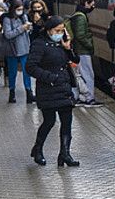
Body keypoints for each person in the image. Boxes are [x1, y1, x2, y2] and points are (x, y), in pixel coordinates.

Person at [25, 16, 80, 167]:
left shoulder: (62, 44)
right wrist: (50, 77)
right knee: (49, 121)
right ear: (48, 30)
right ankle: (38, 149)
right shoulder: (39, 44)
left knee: (67, 122)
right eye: (57, 30)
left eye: (62, 30)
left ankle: (65, 154)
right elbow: (30, 67)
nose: (60, 33)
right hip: (48, 89)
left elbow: (76, 60)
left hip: (64, 88)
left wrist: (68, 48)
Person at [67, 0, 103, 108]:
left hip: (79, 50)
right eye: (92, 3)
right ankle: (89, 98)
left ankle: (80, 97)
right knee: (87, 74)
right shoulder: (81, 17)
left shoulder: (78, 15)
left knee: (80, 74)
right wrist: (90, 46)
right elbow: (80, 35)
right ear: (86, 3)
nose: (93, 6)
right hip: (82, 50)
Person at [0, 0, 34, 103]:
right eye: (18, 9)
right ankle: (12, 93)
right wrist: (22, 28)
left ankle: (29, 92)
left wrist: (29, 28)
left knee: (27, 71)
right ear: (13, 9)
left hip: (25, 48)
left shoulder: (24, 16)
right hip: (12, 50)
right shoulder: (7, 19)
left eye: (22, 9)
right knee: (12, 72)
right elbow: (8, 35)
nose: (20, 11)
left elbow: (28, 32)